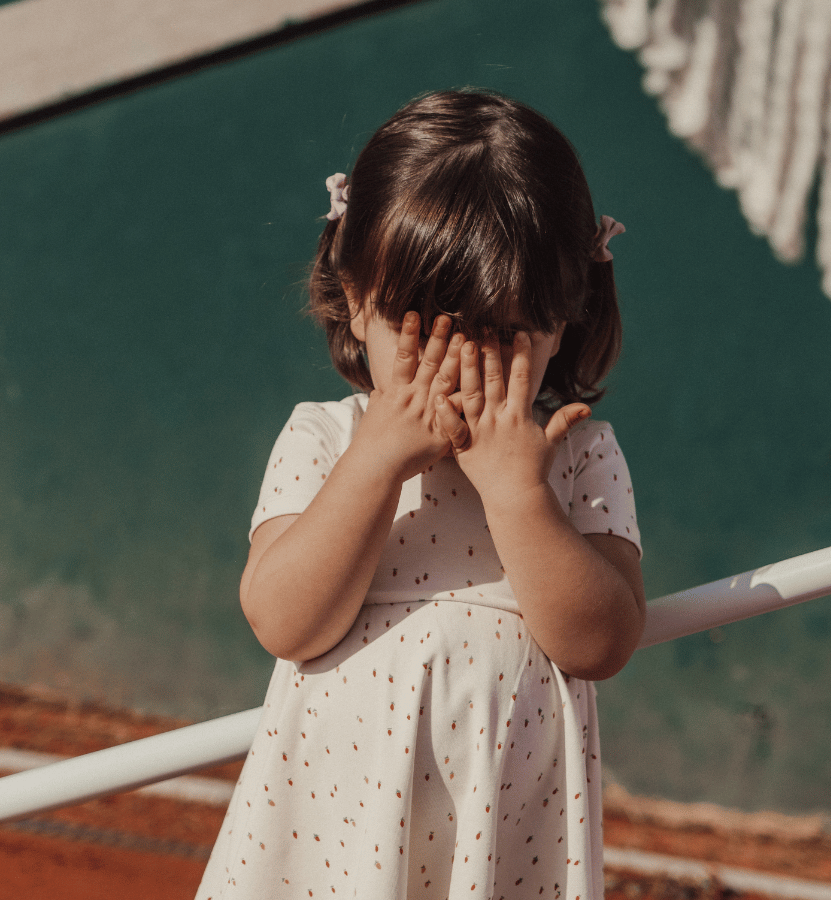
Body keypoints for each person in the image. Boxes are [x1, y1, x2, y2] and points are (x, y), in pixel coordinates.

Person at [196, 89, 645, 900]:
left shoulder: (575, 455)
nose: (458, 362)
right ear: (355, 294)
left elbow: (601, 643)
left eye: (499, 332)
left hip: (500, 846)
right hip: (331, 845)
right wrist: (374, 463)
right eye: (422, 328)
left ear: (565, 313)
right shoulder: (325, 437)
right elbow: (285, 623)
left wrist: (520, 494)